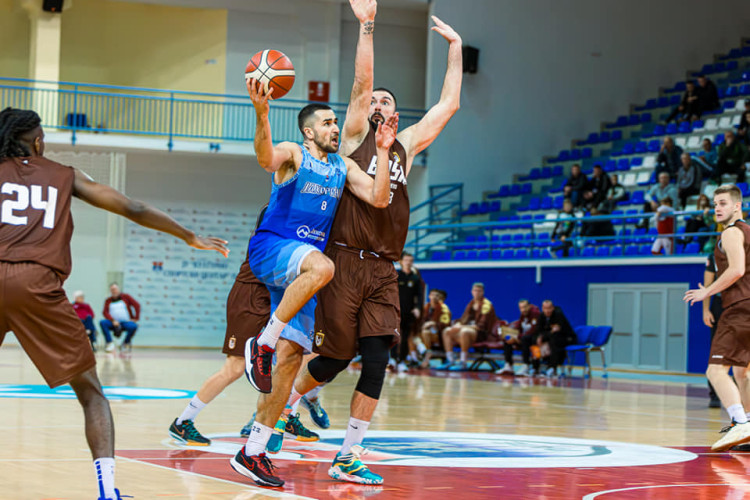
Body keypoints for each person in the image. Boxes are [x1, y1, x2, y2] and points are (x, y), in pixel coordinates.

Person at [0, 107, 228, 500]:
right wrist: (188, 235)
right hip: (36, 281)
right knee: (91, 394)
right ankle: (107, 492)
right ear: (37, 141)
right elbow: (133, 208)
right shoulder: (64, 173)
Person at [285, 14, 462, 486]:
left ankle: (348, 452)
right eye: (375, 99)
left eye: (389, 99)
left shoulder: (404, 145)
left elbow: (448, 104)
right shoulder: (352, 138)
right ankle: (285, 406)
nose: (379, 101)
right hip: (343, 260)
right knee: (334, 360)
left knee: (378, 359)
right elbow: (362, 82)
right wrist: (367, 26)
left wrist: (457, 47)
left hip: (384, 268)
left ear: (398, 113)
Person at [233, 0, 398, 487]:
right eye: (327, 124)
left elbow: (380, 198)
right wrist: (261, 112)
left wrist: (384, 154)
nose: (335, 128)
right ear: (309, 132)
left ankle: (253, 450)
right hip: (275, 249)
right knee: (323, 269)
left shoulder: (343, 166)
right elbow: (265, 158)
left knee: (288, 364)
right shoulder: (293, 155)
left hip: (302, 272)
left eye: (334, 123)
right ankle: (260, 343)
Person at [168, 207, 325, 449]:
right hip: (250, 297)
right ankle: (183, 421)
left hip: (270, 300)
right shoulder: (272, 231)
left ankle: (284, 415)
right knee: (234, 368)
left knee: (298, 356)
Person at [685, 184, 750, 451]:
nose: (717, 208)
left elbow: (736, 269)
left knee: (715, 371)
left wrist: (707, 293)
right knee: (743, 373)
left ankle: (740, 423)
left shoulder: (733, 232)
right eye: (715, 204)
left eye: (723, 203)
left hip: (739, 309)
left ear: (737, 206)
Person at [439, 283, 497, 371]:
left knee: (464, 331)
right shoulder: (471, 304)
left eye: (479, 291)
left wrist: (462, 326)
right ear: (471, 292)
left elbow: (480, 326)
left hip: (481, 334)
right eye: (475, 291)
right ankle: (450, 360)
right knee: (447, 331)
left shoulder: (487, 305)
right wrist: (458, 324)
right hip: (468, 330)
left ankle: (463, 362)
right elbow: (463, 319)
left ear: (483, 292)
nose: (477, 293)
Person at [394, 251, 425, 371]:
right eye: (406, 260)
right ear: (401, 261)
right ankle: (392, 358)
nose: (408, 263)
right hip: (396, 311)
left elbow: (420, 295)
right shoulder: (396, 276)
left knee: (406, 336)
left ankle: (402, 360)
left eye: (411, 261)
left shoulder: (415, 278)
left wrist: (417, 308)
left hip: (409, 313)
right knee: (394, 336)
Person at [497, 299, 540, 376]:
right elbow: (519, 327)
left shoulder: (535, 314)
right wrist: (512, 335)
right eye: (521, 308)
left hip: (534, 339)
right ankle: (508, 365)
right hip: (523, 338)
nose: (523, 310)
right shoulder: (523, 314)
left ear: (529, 306)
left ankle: (526, 365)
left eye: (525, 307)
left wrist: (518, 337)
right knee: (507, 338)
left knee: (525, 338)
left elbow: (533, 330)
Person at [703, 250, 723, 409]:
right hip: (719, 305)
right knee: (716, 354)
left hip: (740, 306)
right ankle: (715, 395)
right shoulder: (714, 256)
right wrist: (705, 310)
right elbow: (707, 286)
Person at [536, 300, 576, 377]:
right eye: (545, 308)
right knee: (535, 339)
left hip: (568, 338)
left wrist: (544, 336)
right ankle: (536, 367)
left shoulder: (558, 315)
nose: (547, 311)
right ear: (542, 308)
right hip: (552, 337)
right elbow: (540, 331)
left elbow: (556, 332)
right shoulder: (541, 316)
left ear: (553, 308)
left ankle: (552, 368)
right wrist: (540, 337)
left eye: (549, 308)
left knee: (554, 340)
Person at [100, 283, 140, 352]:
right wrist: (113, 320)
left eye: (115, 289)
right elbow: (105, 312)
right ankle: (110, 343)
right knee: (103, 323)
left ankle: (125, 343)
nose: (114, 291)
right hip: (113, 322)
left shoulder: (126, 297)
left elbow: (137, 305)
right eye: (112, 290)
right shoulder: (108, 300)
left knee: (134, 326)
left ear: (118, 289)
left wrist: (136, 318)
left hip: (125, 322)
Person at [418, 289, 451, 368]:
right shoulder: (426, 307)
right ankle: (414, 358)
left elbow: (445, 325)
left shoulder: (444, 308)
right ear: (429, 296)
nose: (434, 297)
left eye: (436, 295)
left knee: (425, 333)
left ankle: (427, 358)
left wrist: (433, 323)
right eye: (432, 295)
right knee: (412, 334)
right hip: (424, 332)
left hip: (439, 335)